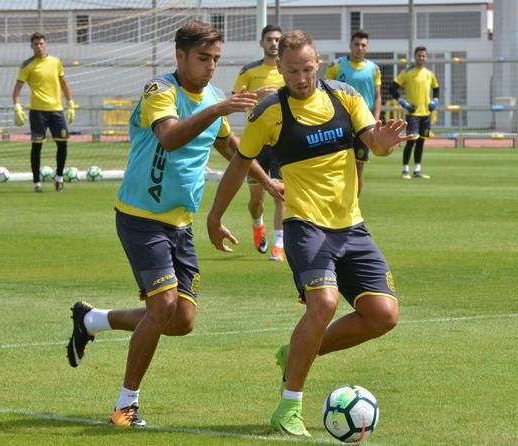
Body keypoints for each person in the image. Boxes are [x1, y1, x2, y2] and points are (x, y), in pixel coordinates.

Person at [65, 20, 281, 428]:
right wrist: (218, 108)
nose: (210, 67)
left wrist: (268, 184)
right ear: (180, 56)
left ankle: (91, 320)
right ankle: (126, 404)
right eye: (203, 58)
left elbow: (233, 149)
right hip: (140, 219)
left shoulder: (214, 98)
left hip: (180, 225)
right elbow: (169, 137)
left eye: (216, 59)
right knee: (162, 307)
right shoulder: (159, 90)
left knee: (180, 321)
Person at [206, 30, 412, 437]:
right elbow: (238, 163)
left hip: (351, 226)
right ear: (279, 68)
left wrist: (385, 144)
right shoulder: (269, 112)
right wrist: (214, 216)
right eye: (292, 70)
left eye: (307, 68)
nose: (301, 77)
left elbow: (374, 141)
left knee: (384, 315)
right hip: (305, 225)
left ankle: (297, 351)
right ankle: (288, 407)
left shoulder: (344, 97)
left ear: (318, 63)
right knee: (324, 305)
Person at [232, 24, 287, 261]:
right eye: (269, 39)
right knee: (256, 201)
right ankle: (258, 224)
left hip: (283, 143)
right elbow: (234, 101)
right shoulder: (249, 71)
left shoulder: (288, 69)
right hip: (255, 144)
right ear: (261, 42)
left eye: (277, 39)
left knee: (280, 195)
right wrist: (257, 96)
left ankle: (279, 244)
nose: (273, 43)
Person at [12, 32, 75, 193]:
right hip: (38, 111)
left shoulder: (56, 62)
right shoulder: (27, 65)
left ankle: (59, 178)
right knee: (37, 147)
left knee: (62, 144)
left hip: (56, 110)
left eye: (41, 43)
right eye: (36, 44)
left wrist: (70, 102)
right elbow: (17, 88)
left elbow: (63, 83)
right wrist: (17, 105)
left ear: (45, 44)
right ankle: (37, 183)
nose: (39, 46)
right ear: (31, 46)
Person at [324, 29, 381, 195]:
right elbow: (326, 92)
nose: (360, 48)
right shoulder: (336, 65)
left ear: (367, 47)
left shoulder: (374, 68)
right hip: (340, 121)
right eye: (357, 44)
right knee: (335, 165)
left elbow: (378, 96)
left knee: (358, 167)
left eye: (363, 45)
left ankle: (354, 207)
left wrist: (376, 119)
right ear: (350, 45)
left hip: (363, 124)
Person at [390, 45, 439, 179]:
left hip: (426, 114)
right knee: (410, 142)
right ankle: (405, 169)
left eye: (424, 56)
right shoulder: (407, 73)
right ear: (415, 56)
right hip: (413, 115)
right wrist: (403, 102)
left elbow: (436, 88)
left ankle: (417, 169)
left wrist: (435, 100)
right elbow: (392, 88)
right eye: (419, 55)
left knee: (421, 142)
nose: (421, 58)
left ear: (426, 58)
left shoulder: (430, 74)